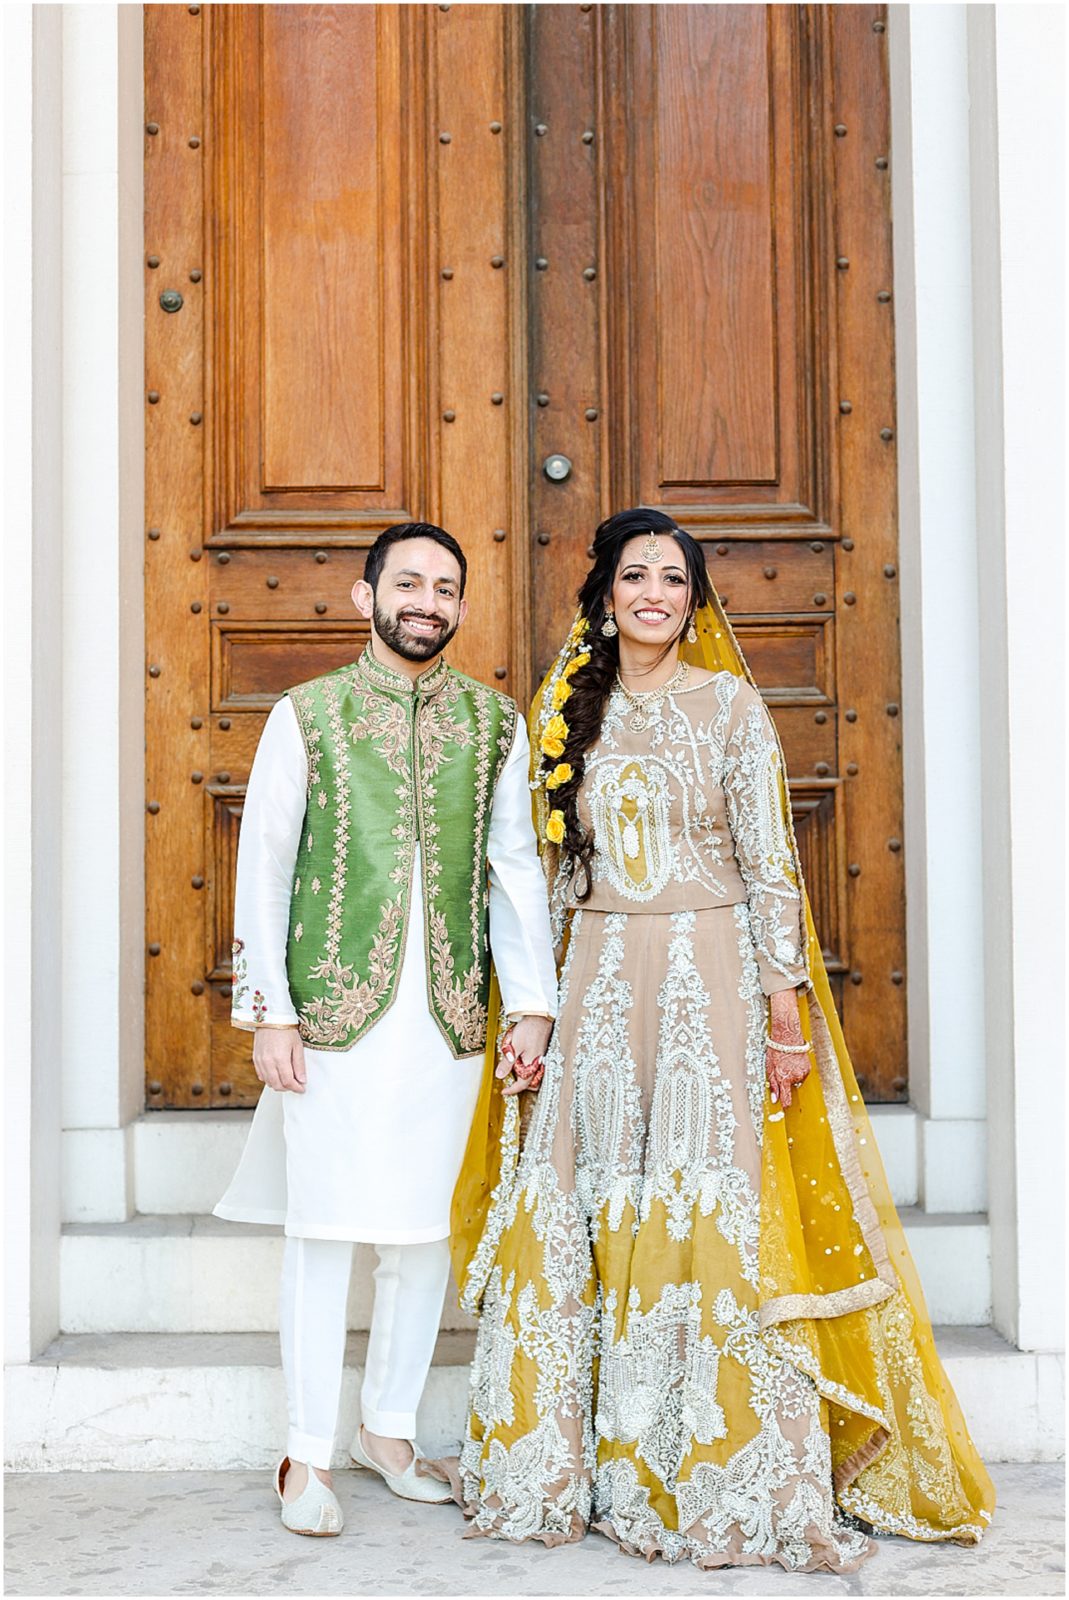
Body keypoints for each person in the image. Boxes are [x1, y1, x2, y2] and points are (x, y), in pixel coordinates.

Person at [444, 508, 995, 1571]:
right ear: (603, 591)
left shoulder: (730, 706)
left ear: (691, 601)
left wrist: (785, 1009)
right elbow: (555, 873)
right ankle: (580, 1463)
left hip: (709, 980)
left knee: (706, 1199)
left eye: (673, 579)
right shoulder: (567, 710)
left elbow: (768, 858)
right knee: (597, 1193)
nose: (653, 593)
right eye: (635, 575)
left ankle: (718, 1465)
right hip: (601, 978)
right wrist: (538, 1008)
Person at [214, 522, 557, 1536]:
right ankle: (305, 1453)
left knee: (419, 1234)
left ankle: (390, 1430)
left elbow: (513, 869)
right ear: (366, 597)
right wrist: (269, 1010)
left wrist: (530, 1000)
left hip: (446, 1016)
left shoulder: (494, 725)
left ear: (459, 605)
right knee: (323, 1233)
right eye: (407, 581)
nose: (427, 600)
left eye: (444, 587)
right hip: (328, 1014)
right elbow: (265, 868)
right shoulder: (306, 715)